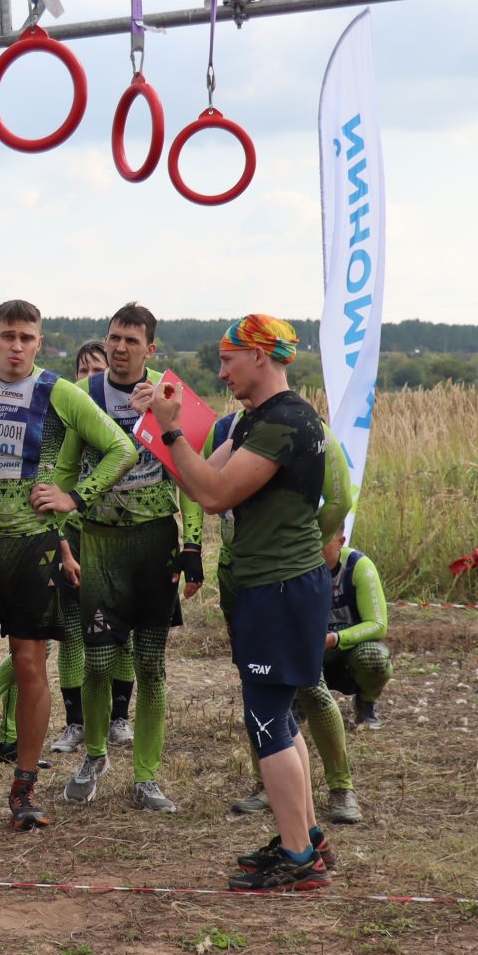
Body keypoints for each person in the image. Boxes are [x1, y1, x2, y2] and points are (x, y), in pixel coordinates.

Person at [0, 300, 137, 831]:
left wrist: (75, 497)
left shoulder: (56, 390)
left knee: (31, 668)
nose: (17, 345)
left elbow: (120, 448)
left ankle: (24, 788)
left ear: (39, 343)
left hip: (33, 552)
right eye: (8, 335)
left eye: (27, 337)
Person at [141, 314, 332, 890]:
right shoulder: (258, 420)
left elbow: (215, 493)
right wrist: (161, 426)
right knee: (278, 713)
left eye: (228, 360)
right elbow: (199, 477)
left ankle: (299, 859)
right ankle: (307, 838)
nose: (221, 372)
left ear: (261, 357)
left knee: (266, 718)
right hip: (273, 586)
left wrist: (173, 431)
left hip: (278, 586)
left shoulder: (284, 423)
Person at [56, 304, 204, 813]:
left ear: (150, 349)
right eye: (113, 338)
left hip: (154, 542)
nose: (119, 348)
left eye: (131, 341)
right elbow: (66, 469)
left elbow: (189, 470)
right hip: (100, 541)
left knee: (151, 664)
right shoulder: (83, 395)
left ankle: (146, 777)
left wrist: (193, 544)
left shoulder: (170, 392)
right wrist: (62, 540)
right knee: (96, 662)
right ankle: (94, 756)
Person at [206, 408, 362, 826]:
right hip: (238, 574)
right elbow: (201, 488)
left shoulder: (302, 426)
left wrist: (308, 544)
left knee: (311, 687)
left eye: (230, 361)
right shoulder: (226, 428)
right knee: (257, 688)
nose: (224, 373)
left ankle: (340, 788)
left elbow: (342, 498)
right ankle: (269, 784)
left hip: (286, 574)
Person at [0, 338, 110, 763]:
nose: (89, 379)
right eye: (83, 370)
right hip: (50, 538)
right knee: (38, 646)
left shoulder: (101, 416)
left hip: (98, 539)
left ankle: (9, 734)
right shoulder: (59, 416)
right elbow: (44, 487)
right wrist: (66, 547)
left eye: (98, 371)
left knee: (46, 646)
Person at [323, 533, 390, 728]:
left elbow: (378, 625)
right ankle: (297, 702)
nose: (315, 546)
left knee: (374, 656)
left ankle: (366, 703)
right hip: (314, 650)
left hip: (350, 649)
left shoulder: (359, 566)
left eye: (322, 539)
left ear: (340, 542)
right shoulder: (300, 566)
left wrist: (335, 638)